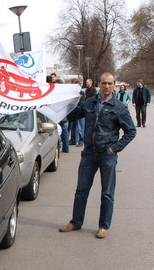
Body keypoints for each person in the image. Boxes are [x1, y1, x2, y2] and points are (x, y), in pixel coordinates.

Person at [58, 72, 136, 239]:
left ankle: (103, 226)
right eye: (103, 83)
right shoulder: (89, 103)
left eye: (109, 83)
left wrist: (114, 149)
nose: (106, 86)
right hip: (88, 154)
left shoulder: (119, 108)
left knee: (107, 192)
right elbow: (73, 116)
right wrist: (69, 99)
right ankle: (76, 221)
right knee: (81, 190)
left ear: (114, 85)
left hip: (107, 155)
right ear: (98, 84)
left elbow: (131, 131)